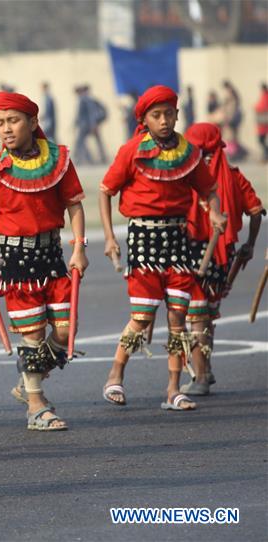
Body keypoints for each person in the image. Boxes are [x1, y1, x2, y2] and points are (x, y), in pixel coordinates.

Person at [0, 91, 88, 431]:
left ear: (33, 122)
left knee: (65, 331)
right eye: (0, 123)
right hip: (18, 262)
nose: (5, 129)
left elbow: (74, 205)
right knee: (32, 335)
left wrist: (80, 247)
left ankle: (28, 380)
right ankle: (35, 405)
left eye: (13, 121)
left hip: (53, 256)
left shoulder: (59, 159)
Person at [100, 85, 226, 412]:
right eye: (157, 115)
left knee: (178, 318)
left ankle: (172, 389)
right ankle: (115, 375)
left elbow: (208, 190)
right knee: (141, 317)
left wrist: (213, 209)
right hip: (143, 238)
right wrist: (111, 238)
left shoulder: (189, 153)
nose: (164, 121)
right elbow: (105, 191)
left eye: (169, 113)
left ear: (178, 115)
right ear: (144, 119)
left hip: (177, 240)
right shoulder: (131, 151)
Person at [181, 122, 263, 395]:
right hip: (222, 255)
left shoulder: (187, 175)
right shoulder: (234, 176)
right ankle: (206, 368)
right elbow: (255, 210)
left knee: (196, 314)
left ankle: (201, 376)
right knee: (207, 313)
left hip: (192, 252)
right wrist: (249, 244)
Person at [255, 82, 268, 163]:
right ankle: (265, 155)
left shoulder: (265, 96)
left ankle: (266, 155)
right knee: (261, 140)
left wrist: (256, 107)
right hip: (262, 123)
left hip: (264, 123)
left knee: (261, 139)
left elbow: (263, 107)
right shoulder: (264, 96)